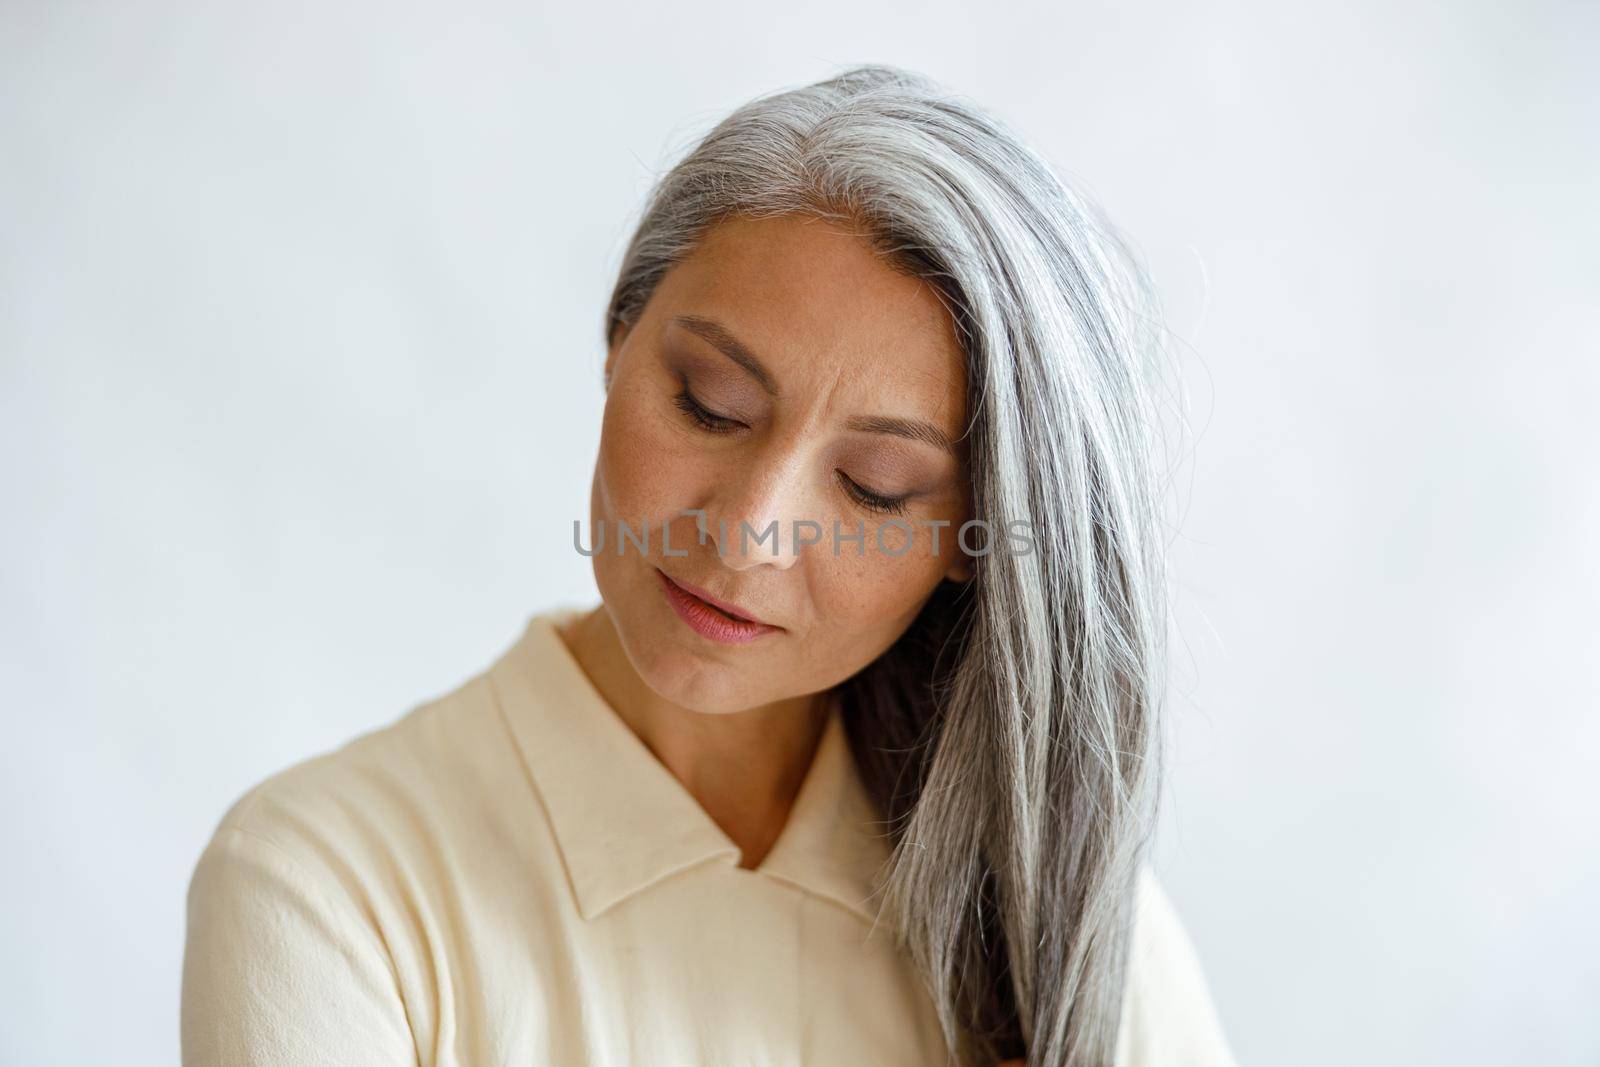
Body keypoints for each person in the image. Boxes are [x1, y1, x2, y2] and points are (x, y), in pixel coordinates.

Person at [181, 64, 1238, 1067]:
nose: (747, 535)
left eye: (873, 483)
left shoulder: (1056, 926)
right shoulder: (322, 883)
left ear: (976, 531)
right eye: (710, 403)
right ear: (619, 336)